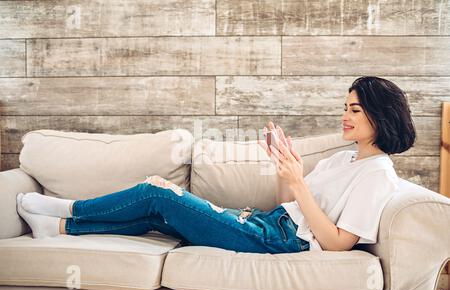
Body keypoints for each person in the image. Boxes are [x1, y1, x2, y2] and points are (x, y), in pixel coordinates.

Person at [16, 76, 416, 253]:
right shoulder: (344, 158)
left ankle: (66, 206)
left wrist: (299, 183)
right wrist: (284, 169)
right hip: (268, 222)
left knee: (158, 190)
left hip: (281, 242)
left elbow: (338, 243)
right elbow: (289, 200)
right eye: (344, 108)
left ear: (381, 116)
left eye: (355, 109)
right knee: (159, 216)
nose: (345, 116)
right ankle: (58, 227)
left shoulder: (378, 174)